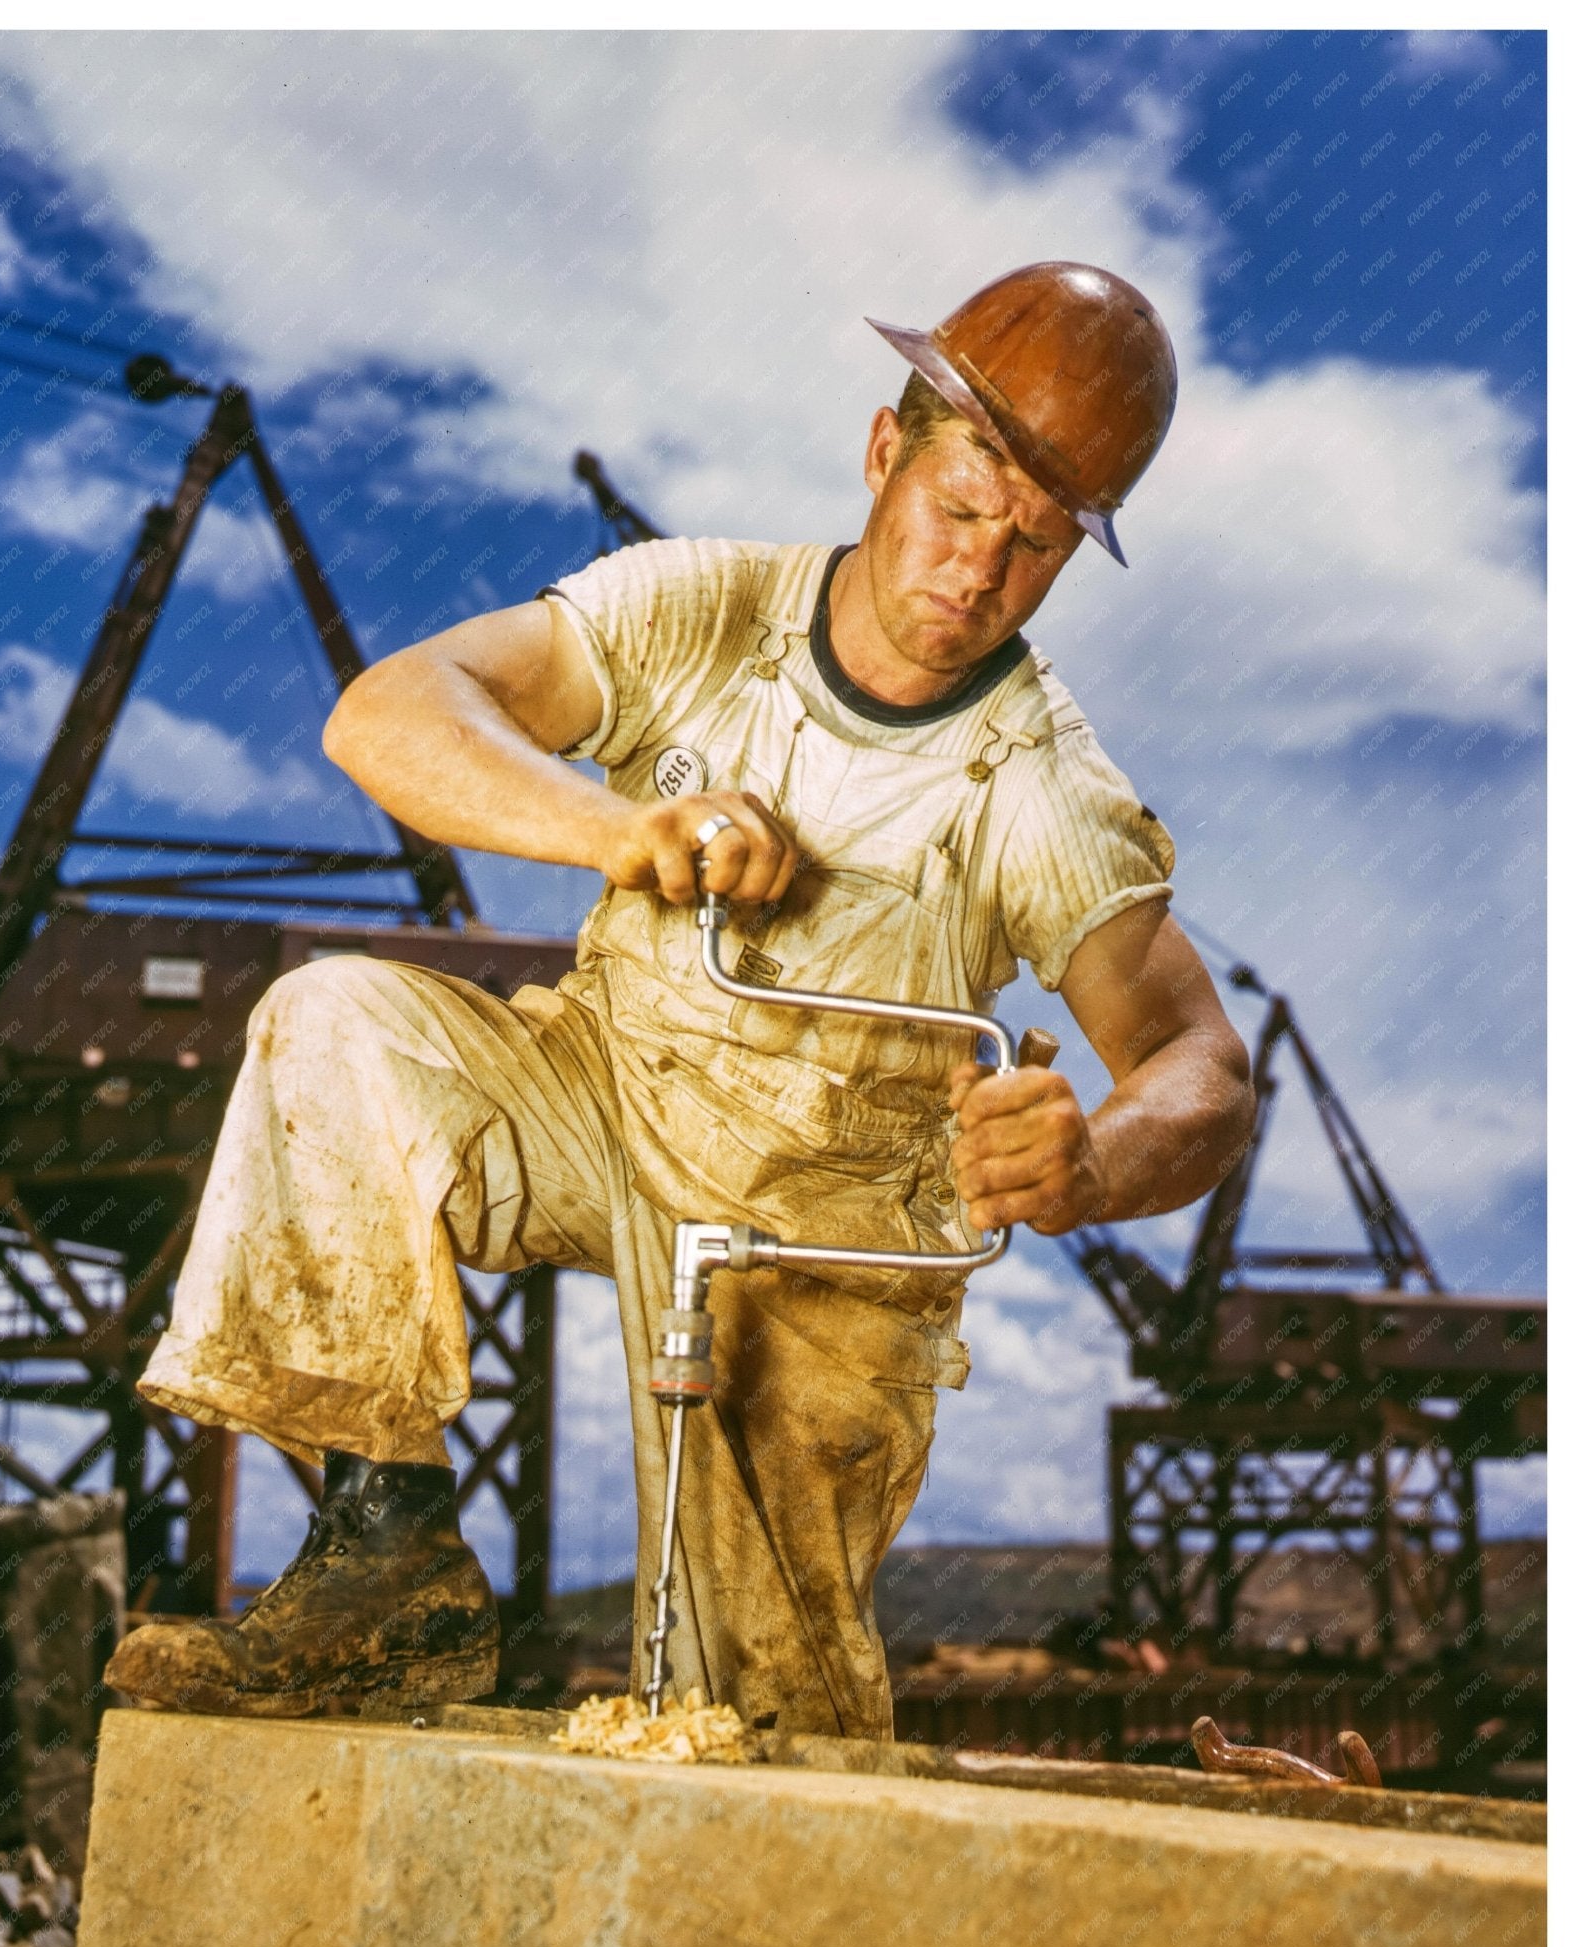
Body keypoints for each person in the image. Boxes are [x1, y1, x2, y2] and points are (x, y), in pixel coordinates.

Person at [108, 263, 1255, 1738]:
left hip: (821, 1239)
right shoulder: (697, 610)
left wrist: (1093, 1162)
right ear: (881, 452)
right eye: (961, 511)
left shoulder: (1039, 788)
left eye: (1030, 550)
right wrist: (612, 830)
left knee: (755, 1720)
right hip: (600, 1096)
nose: (977, 574)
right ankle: (384, 1564)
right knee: (337, 1024)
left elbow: (1197, 1061)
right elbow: (384, 713)